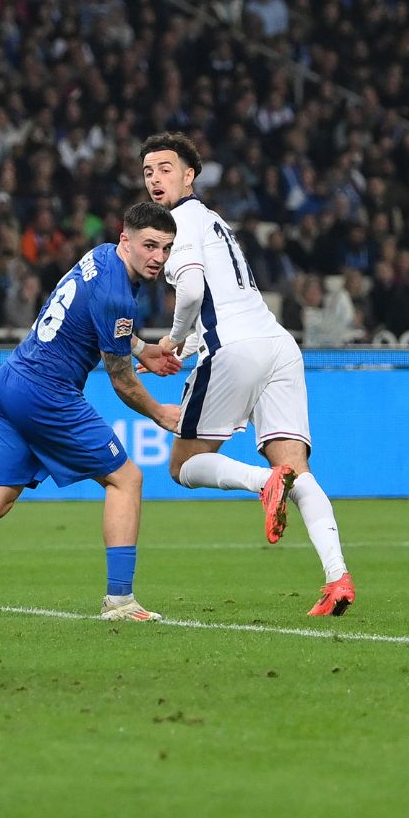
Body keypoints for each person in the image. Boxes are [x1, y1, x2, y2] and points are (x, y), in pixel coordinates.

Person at [0, 202, 184, 624]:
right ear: (127, 240)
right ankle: (120, 601)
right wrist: (161, 413)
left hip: (10, 381)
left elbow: (97, 323)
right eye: (150, 246)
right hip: (46, 393)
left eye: (166, 248)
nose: (158, 258)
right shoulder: (117, 294)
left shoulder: (101, 255)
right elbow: (122, 379)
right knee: (127, 479)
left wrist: (144, 348)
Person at [139, 132, 354, 617]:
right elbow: (224, 301)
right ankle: (337, 578)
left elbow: (192, 291)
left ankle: (263, 484)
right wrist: (191, 341)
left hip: (236, 349)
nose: (155, 179)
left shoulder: (177, 223)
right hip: (278, 346)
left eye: (165, 169)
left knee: (182, 466)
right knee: (299, 470)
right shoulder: (215, 221)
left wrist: (172, 339)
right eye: (149, 171)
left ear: (189, 174)